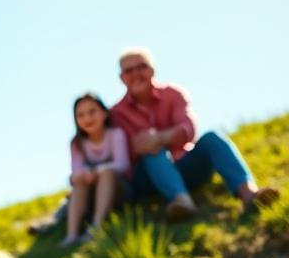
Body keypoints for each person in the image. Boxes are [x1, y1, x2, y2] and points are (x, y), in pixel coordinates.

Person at [111, 48, 279, 220]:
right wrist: (142, 147)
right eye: (129, 70)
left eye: (141, 67)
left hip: (186, 165)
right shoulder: (116, 114)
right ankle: (181, 201)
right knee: (152, 153)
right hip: (149, 179)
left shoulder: (173, 94)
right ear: (121, 78)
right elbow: (123, 153)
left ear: (152, 70)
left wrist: (159, 138)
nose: (136, 74)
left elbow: (188, 128)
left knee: (212, 138)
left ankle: (249, 194)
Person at [61, 93, 130, 246]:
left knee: (107, 173)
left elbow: (123, 164)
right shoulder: (77, 143)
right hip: (91, 195)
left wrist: (98, 171)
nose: (87, 118)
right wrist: (83, 175)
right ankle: (72, 234)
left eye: (92, 112)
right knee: (80, 182)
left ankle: (96, 227)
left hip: (120, 191)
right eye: (81, 115)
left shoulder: (115, 134)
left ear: (105, 113)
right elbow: (75, 173)